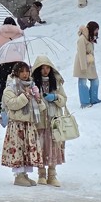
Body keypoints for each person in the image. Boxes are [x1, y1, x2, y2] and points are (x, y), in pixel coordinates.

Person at [0, 61, 43, 187]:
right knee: (18, 149)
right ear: (16, 73)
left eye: (27, 71)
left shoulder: (32, 86)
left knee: (27, 149)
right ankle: (18, 175)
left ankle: (25, 174)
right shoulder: (10, 88)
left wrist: (38, 98)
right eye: (22, 71)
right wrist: (25, 96)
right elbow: (12, 104)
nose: (25, 74)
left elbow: (41, 107)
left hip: (29, 124)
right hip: (17, 124)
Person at [31, 56, 66, 187]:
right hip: (39, 119)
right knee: (40, 146)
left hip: (53, 119)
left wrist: (55, 97)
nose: (45, 71)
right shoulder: (33, 84)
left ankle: (52, 174)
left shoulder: (56, 82)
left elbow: (63, 100)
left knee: (53, 146)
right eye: (42, 68)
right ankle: (41, 174)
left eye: (47, 68)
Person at [0, 18, 25, 115]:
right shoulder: (19, 34)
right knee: (18, 85)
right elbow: (23, 48)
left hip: (4, 63)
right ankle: (18, 104)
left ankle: (1, 107)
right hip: (17, 63)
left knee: (3, 85)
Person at [73, 21, 101, 108]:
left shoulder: (90, 37)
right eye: (96, 30)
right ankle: (85, 103)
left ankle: (94, 99)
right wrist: (83, 67)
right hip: (83, 64)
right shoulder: (82, 39)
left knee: (95, 80)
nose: (97, 32)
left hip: (90, 63)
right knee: (82, 83)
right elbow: (81, 53)